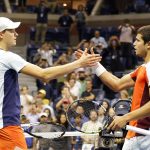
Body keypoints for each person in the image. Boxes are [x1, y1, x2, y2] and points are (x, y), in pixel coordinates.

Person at [0, 17, 100, 149]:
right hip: (7, 127)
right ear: (1, 33)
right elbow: (45, 75)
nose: (16, 34)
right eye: (12, 31)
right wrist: (79, 63)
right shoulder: (7, 57)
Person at [75, 25, 150, 150]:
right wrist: (95, 65)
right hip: (135, 135)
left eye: (137, 40)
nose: (134, 44)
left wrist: (125, 117)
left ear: (148, 44)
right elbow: (117, 84)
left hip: (145, 136)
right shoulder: (143, 68)